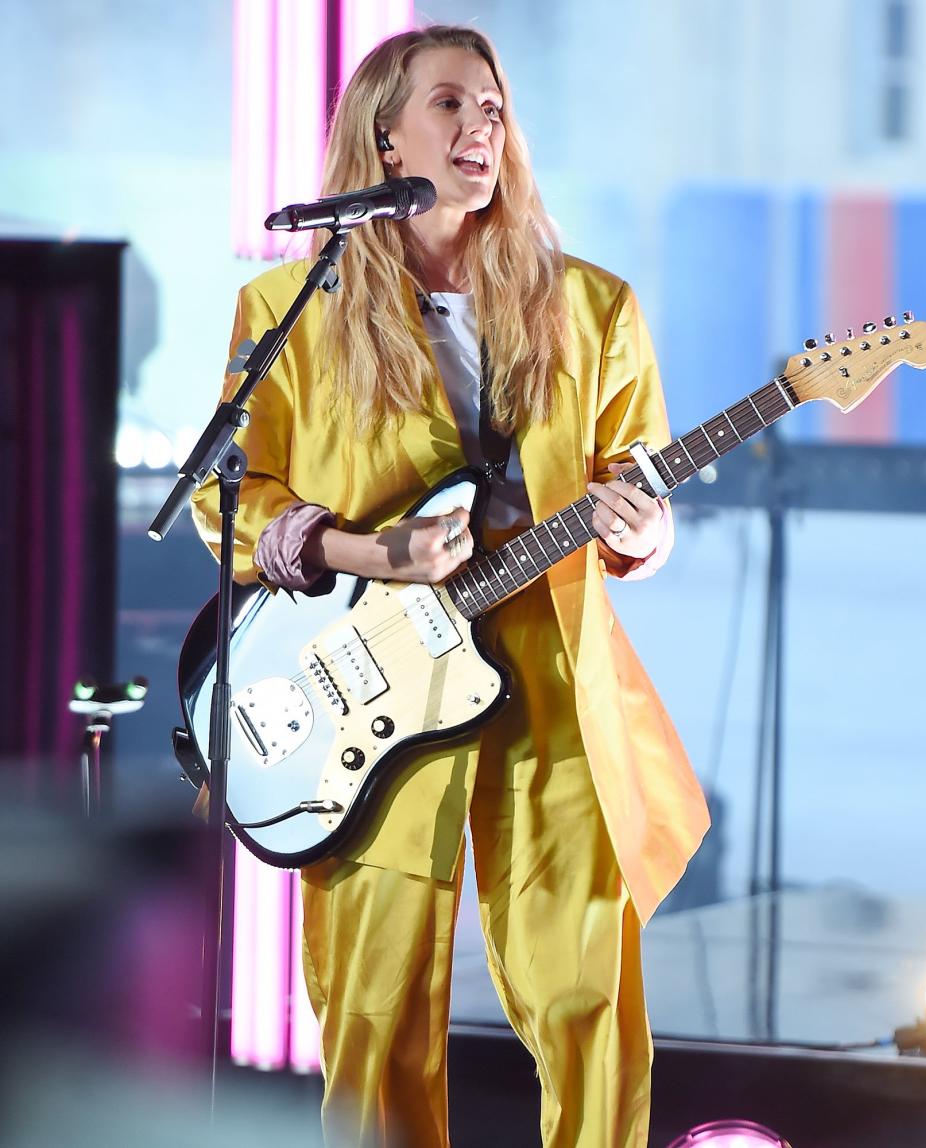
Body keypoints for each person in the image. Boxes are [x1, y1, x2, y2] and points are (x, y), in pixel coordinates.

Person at [193, 23, 709, 1148]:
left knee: (588, 993)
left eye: (494, 108)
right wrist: (368, 554)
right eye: (450, 105)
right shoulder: (296, 305)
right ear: (385, 136)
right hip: (374, 683)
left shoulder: (594, 305)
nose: (482, 128)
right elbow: (225, 501)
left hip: (554, 667)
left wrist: (643, 532)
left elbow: (639, 491)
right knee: (375, 1012)